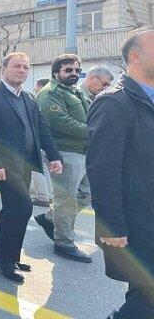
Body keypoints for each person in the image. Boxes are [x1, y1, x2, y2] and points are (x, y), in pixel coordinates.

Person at [0, 52, 62, 284]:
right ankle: (6, 261)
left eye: (25, 66)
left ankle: (6, 255)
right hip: (4, 166)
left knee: (11, 210)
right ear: (4, 68)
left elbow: (41, 128)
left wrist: (54, 156)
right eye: (16, 66)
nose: (22, 70)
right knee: (23, 208)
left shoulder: (29, 98)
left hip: (25, 163)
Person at [87, 26, 154, 319]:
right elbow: (103, 169)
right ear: (136, 56)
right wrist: (112, 224)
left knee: (142, 287)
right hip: (137, 216)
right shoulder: (114, 102)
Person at [34, 54, 92, 263]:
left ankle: (50, 218)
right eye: (69, 70)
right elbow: (61, 122)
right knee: (66, 200)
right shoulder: (49, 93)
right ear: (56, 72)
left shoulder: (74, 92)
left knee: (85, 194)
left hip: (83, 152)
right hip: (65, 153)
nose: (74, 74)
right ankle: (64, 243)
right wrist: (93, 131)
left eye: (77, 70)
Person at [30, 78, 54, 207]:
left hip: (37, 140)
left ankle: (43, 196)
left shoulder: (40, 98)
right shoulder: (53, 97)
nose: (34, 88)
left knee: (37, 169)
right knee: (43, 169)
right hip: (45, 141)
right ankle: (48, 194)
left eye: (36, 86)